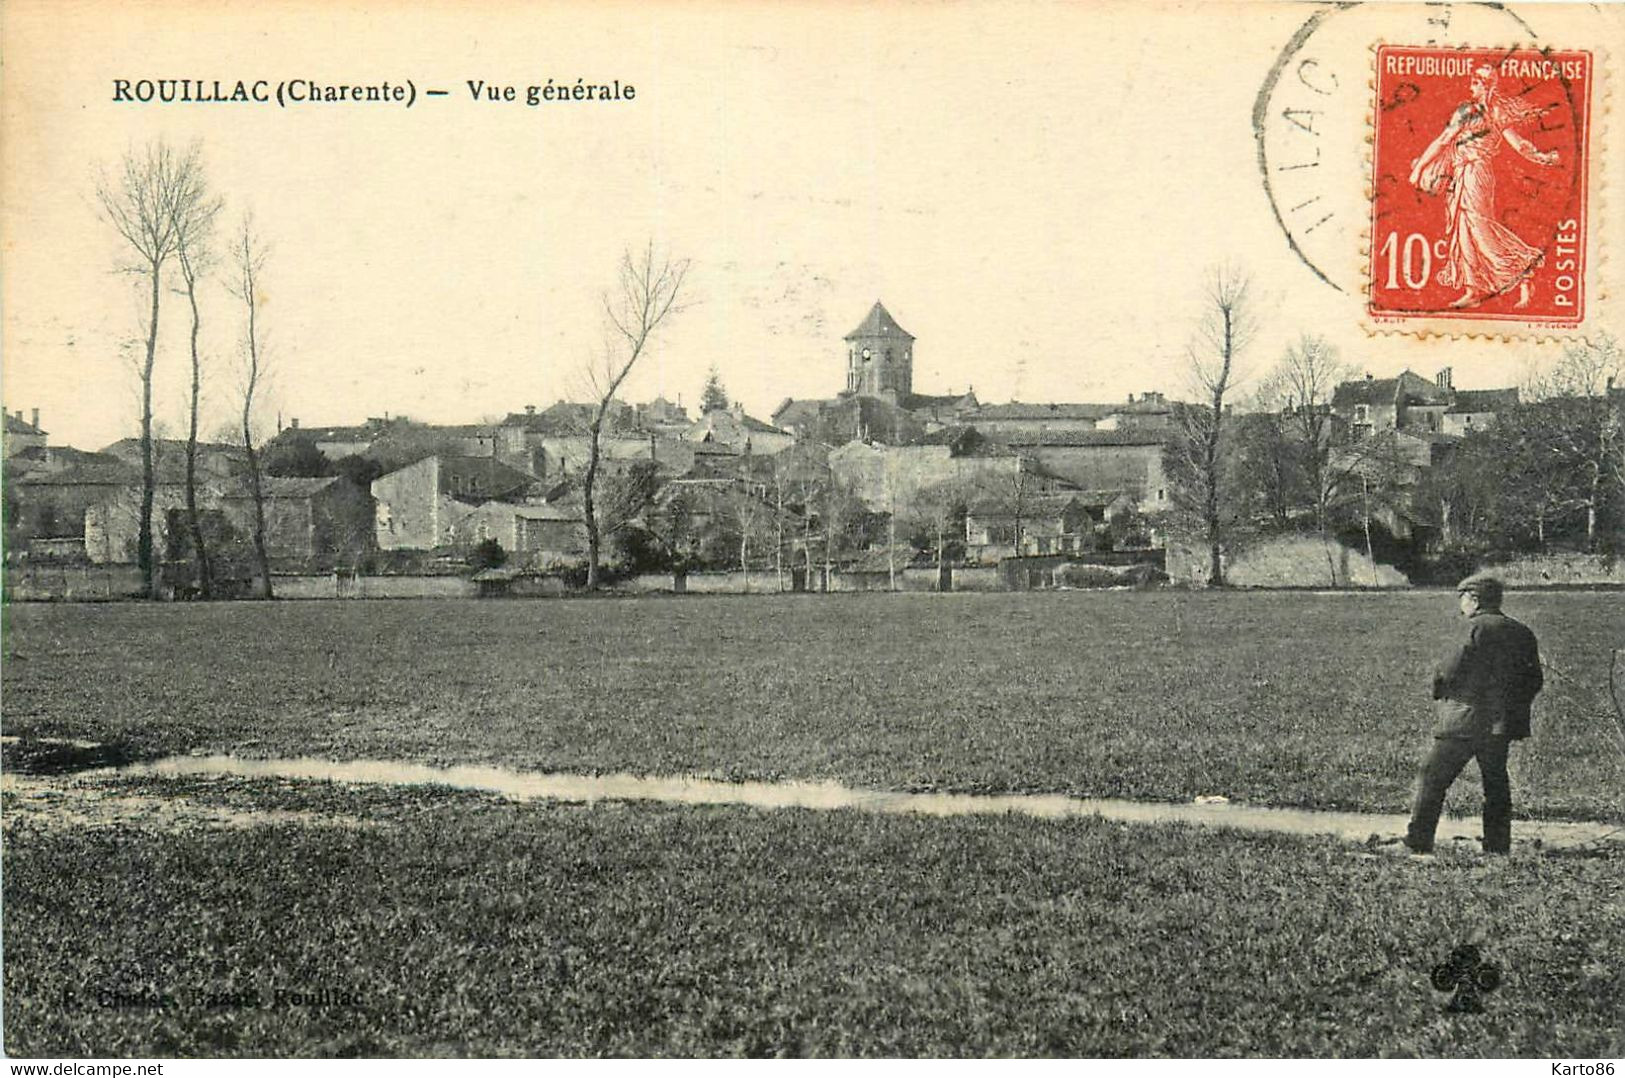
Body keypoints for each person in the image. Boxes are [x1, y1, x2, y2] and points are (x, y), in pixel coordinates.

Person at [1404, 573, 1543, 855]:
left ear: (1475, 599)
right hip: (1500, 725)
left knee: (1432, 777)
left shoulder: (1475, 628)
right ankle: (1497, 846)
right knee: (1495, 783)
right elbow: (1534, 679)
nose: (1461, 605)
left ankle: (1417, 842)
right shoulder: (1522, 632)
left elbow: (1449, 671)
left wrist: (1439, 688)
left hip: (1465, 721)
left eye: (1463, 598)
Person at [1407, 64, 1561, 310]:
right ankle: (1474, 289)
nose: (1471, 86)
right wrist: (1541, 157)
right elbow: (1519, 144)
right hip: (1466, 173)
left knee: (1478, 227)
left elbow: (1444, 140)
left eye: (1475, 82)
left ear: (1484, 85)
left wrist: (1418, 169)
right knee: (1464, 228)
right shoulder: (1495, 111)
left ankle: (1522, 270)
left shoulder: (1471, 111)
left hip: (1474, 173)